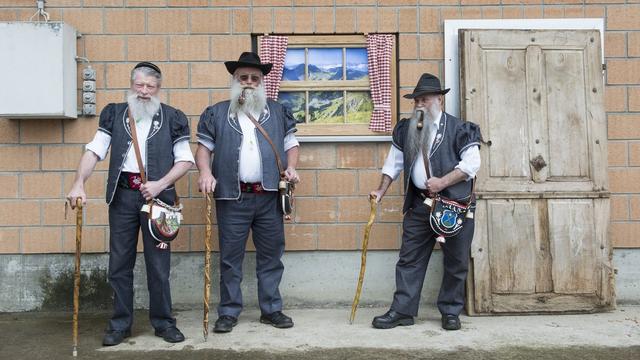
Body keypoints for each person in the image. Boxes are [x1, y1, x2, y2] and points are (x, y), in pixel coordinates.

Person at [66, 62, 194, 345]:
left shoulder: (174, 118)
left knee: (158, 265)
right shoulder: (114, 114)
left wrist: (160, 184)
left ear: (159, 88)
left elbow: (186, 160)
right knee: (119, 264)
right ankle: (120, 324)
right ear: (131, 85)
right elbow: (94, 151)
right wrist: (78, 183)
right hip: (122, 197)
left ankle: (163, 322)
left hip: (160, 200)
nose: (144, 91)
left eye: (150, 86)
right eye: (140, 85)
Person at [195, 52, 300, 333]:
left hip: (269, 197)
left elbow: (291, 144)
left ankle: (271, 309)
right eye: (244, 78)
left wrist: (291, 168)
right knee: (230, 259)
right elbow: (203, 149)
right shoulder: (216, 113)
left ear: (262, 82)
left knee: (271, 256)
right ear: (235, 80)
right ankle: (229, 312)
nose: (249, 83)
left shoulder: (278, 111)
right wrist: (205, 172)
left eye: (255, 78)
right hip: (232, 197)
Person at [370, 73, 481, 331]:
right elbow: (393, 164)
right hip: (419, 206)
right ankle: (402, 311)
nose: (419, 104)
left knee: (456, 261)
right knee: (409, 259)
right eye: (416, 100)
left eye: (425, 99)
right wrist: (380, 191)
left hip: (455, 207)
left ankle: (451, 312)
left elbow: (472, 165)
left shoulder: (460, 128)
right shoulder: (407, 129)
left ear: (439, 100)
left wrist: (442, 182)